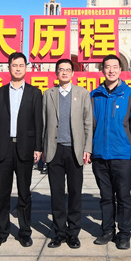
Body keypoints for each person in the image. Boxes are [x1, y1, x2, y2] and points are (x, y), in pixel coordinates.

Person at [0, 52, 43, 248]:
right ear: (9, 68)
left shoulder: (35, 93)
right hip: (3, 148)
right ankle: (1, 232)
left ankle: (25, 232)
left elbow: (38, 122)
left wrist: (38, 147)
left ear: (26, 67)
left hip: (25, 148)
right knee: (3, 194)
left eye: (21, 65)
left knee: (24, 193)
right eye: (14, 65)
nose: (18, 68)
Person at [90, 54, 131, 250]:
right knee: (105, 196)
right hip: (100, 155)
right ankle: (107, 230)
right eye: (107, 67)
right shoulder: (94, 95)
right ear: (102, 70)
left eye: (115, 67)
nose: (111, 70)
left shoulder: (129, 95)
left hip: (122, 155)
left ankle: (124, 233)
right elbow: (89, 126)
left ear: (120, 70)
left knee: (123, 197)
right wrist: (89, 150)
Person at [43, 59, 93, 250]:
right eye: (61, 69)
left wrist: (87, 148)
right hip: (54, 150)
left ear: (73, 73)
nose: (64, 72)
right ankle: (59, 233)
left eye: (68, 70)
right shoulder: (48, 94)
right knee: (56, 193)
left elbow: (88, 123)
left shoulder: (82, 93)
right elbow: (43, 123)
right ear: (56, 73)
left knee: (75, 193)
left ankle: (73, 233)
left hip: (75, 150)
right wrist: (42, 148)